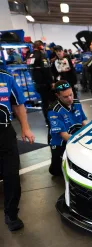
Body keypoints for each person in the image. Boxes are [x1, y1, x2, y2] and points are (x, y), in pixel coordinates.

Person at [0, 69, 35, 231]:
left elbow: (18, 104)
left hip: (5, 134)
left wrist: (25, 127)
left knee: (12, 176)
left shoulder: (6, 78)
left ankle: (11, 214)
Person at [47, 80, 87, 176]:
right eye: (65, 97)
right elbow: (63, 135)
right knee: (59, 171)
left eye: (71, 94)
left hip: (76, 136)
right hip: (61, 142)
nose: (70, 99)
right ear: (58, 96)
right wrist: (80, 144)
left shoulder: (76, 103)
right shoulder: (54, 111)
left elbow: (84, 122)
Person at [27, 40, 54, 125]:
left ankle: (47, 120)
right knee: (51, 101)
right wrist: (52, 82)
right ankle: (52, 120)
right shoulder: (42, 55)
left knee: (44, 102)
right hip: (45, 83)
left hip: (36, 83)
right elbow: (46, 69)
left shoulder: (29, 56)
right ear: (41, 47)